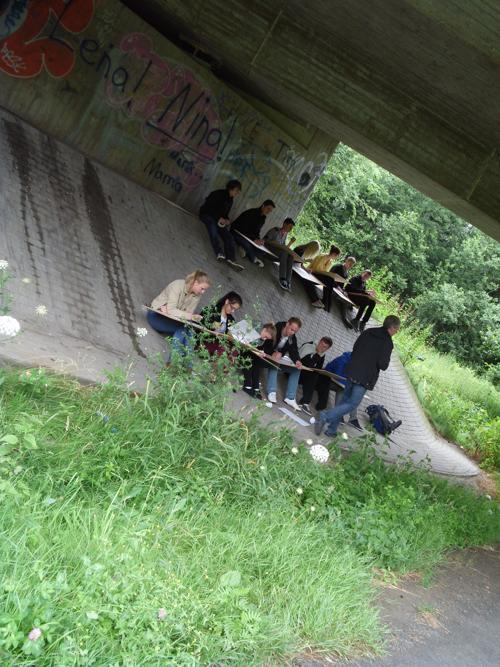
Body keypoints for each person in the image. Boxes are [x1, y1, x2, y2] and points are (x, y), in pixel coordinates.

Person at [315, 315, 401, 438]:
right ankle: (325, 416)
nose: (396, 332)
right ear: (392, 328)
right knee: (352, 404)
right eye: (397, 329)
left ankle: (331, 430)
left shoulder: (368, 331)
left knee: (344, 402)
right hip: (365, 378)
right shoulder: (387, 343)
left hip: (351, 371)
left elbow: (355, 348)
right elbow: (383, 365)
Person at [147, 270, 211, 360]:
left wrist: (190, 316)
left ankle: (182, 362)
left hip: (171, 319)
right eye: (202, 288)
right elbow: (174, 311)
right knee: (183, 330)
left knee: (188, 330)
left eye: (205, 290)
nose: (203, 292)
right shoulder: (177, 285)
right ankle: (179, 362)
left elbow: (184, 316)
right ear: (196, 283)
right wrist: (189, 316)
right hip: (156, 316)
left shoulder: (197, 295)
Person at [199, 180, 244, 269]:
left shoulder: (230, 200)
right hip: (206, 215)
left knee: (229, 236)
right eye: (236, 190)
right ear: (231, 188)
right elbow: (208, 208)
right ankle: (219, 252)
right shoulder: (218, 194)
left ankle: (231, 259)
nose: (237, 193)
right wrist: (218, 218)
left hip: (218, 220)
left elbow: (225, 214)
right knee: (213, 228)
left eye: (238, 191)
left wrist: (227, 220)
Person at [314, 351, 360, 428]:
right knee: (343, 390)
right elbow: (338, 376)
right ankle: (342, 416)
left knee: (349, 393)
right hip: (325, 380)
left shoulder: (353, 365)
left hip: (336, 382)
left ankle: (349, 417)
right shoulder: (342, 360)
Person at [266, 317, 303, 409]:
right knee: (276, 362)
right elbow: (265, 343)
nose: (292, 333)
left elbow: (294, 351)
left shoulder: (292, 338)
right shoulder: (275, 329)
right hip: (266, 355)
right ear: (287, 324)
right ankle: (272, 391)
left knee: (296, 369)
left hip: (278, 358)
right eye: (291, 329)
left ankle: (290, 398)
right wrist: (273, 353)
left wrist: (297, 361)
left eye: (295, 331)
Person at [231, 200, 276, 267]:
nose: (268, 211)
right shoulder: (252, 213)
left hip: (248, 237)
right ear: (263, 206)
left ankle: (244, 250)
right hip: (237, 232)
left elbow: (256, 232)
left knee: (262, 251)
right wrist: (253, 239)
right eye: (268, 209)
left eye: (270, 211)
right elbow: (244, 229)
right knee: (248, 245)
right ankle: (253, 258)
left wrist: (259, 240)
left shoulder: (263, 218)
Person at [297, 337, 333, 415]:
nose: (322, 348)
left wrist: (319, 355)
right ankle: (305, 402)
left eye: (325, 347)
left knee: (326, 379)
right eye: (321, 344)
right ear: (319, 342)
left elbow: (318, 367)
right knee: (313, 374)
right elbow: (307, 365)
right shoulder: (308, 346)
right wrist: (318, 354)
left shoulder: (322, 354)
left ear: (327, 349)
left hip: (307, 375)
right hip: (297, 371)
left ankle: (321, 408)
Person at [239, 323, 277, 398]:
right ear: (264, 330)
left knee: (257, 361)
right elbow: (245, 343)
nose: (265, 339)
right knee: (249, 358)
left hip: (252, 354)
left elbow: (263, 349)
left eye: (267, 338)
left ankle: (256, 386)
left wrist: (262, 352)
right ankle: (247, 385)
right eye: (265, 337)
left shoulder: (263, 339)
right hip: (242, 352)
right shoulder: (255, 329)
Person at [199, 291, 242, 357]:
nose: (233, 311)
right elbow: (200, 325)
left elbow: (229, 336)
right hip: (207, 341)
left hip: (220, 344)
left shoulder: (231, 319)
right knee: (222, 350)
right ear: (227, 301)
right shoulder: (211, 310)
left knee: (235, 351)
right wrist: (212, 328)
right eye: (232, 308)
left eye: (235, 310)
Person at [302, 245, 341, 309]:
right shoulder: (322, 257)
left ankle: (325, 301)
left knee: (331, 279)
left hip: (319, 275)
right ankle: (321, 301)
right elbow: (315, 269)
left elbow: (324, 272)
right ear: (334, 254)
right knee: (329, 279)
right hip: (312, 273)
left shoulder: (330, 262)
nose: (337, 257)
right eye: (337, 256)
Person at [264, 218, 296, 290]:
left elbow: (284, 247)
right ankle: (282, 278)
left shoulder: (285, 234)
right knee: (284, 254)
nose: (290, 229)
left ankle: (288, 281)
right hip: (268, 251)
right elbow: (265, 240)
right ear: (284, 224)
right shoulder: (275, 230)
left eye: (291, 228)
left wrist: (290, 243)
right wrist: (275, 243)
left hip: (278, 254)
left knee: (291, 256)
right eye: (290, 227)